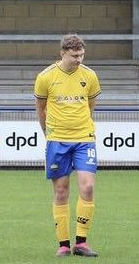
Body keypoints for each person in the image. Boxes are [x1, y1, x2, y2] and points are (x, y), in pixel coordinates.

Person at [34, 34, 101, 257]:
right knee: (61, 191)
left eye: (81, 55)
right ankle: (63, 244)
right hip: (57, 140)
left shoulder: (90, 76)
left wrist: (84, 128)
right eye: (74, 55)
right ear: (63, 53)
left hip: (84, 138)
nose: (79, 59)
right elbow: (41, 109)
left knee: (88, 187)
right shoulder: (46, 77)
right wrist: (49, 134)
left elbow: (90, 106)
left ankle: (81, 242)